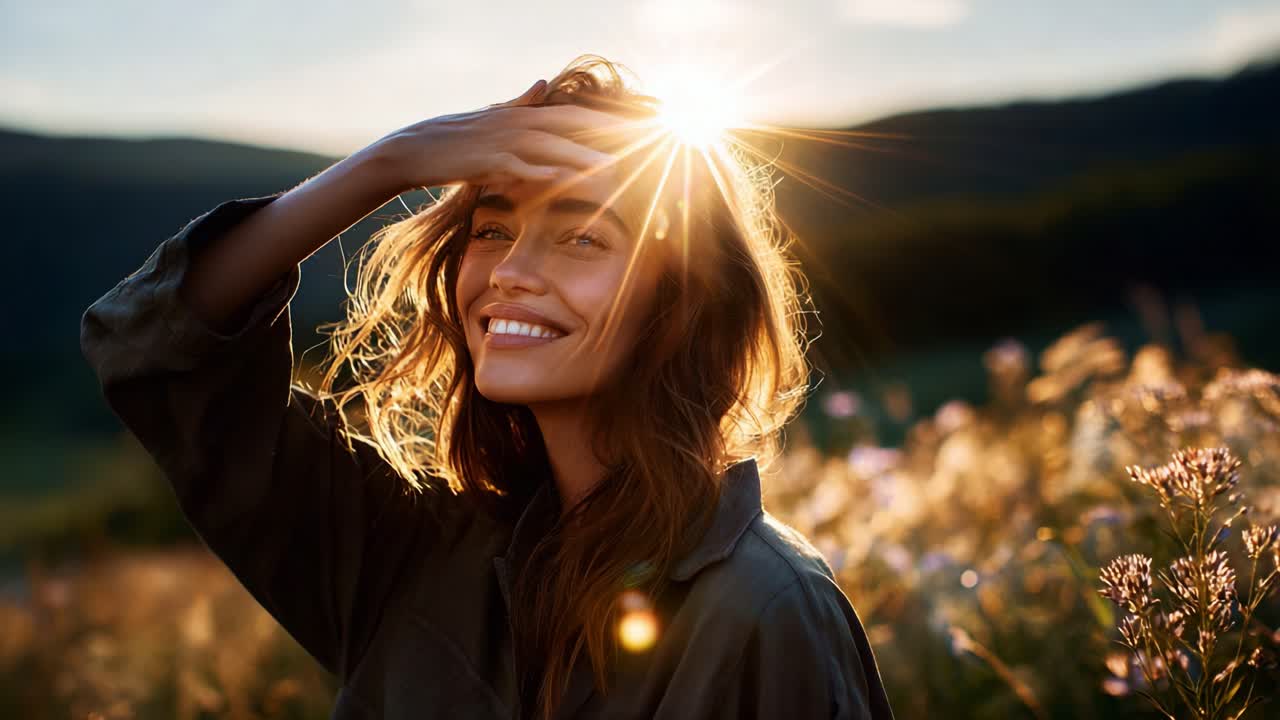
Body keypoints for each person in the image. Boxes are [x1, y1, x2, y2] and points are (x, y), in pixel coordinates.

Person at [80, 53, 894, 720]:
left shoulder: (765, 609)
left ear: (683, 299)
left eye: (582, 237)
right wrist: (392, 163)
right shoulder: (407, 548)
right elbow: (156, 350)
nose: (509, 273)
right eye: (493, 228)